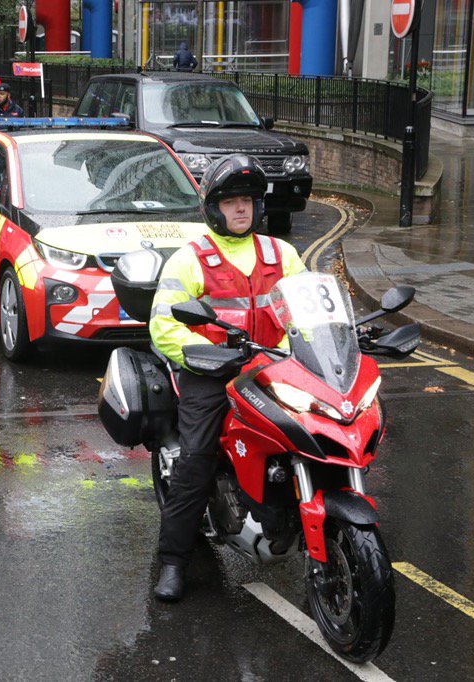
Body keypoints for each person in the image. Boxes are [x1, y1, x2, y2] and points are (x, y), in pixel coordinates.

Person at [148, 155, 306, 602]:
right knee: (196, 458)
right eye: (232, 201)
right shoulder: (190, 259)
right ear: (213, 208)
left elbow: (307, 312)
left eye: (249, 201)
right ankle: (175, 561)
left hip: (274, 368)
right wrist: (206, 356)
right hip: (211, 373)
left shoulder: (283, 254)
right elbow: (163, 325)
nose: (242, 210)